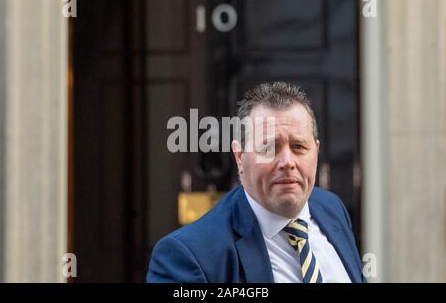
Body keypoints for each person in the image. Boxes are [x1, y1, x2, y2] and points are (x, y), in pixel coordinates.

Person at [147, 82, 365, 283]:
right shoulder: (187, 256)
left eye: (299, 147)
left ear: (316, 151)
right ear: (240, 156)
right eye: (269, 148)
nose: (287, 162)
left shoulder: (331, 208)